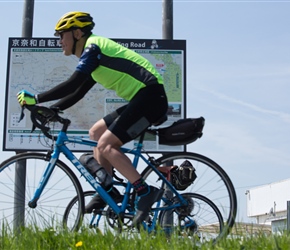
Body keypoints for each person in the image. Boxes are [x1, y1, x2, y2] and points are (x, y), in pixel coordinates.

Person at [17, 11, 168, 227]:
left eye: (61, 35)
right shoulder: (93, 57)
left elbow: (72, 82)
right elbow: (78, 91)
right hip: (143, 97)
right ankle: (107, 190)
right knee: (96, 133)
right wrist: (51, 109)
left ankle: (144, 191)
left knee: (106, 145)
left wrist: (37, 98)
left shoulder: (93, 47)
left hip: (151, 96)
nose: (59, 41)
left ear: (77, 33)